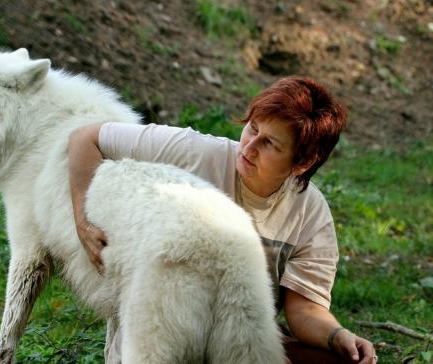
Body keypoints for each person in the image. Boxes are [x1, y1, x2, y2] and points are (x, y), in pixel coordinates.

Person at [68, 76, 377, 364]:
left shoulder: (311, 215)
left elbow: (305, 309)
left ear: (302, 162)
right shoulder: (194, 152)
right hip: (159, 330)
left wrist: (338, 336)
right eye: (253, 128)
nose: (250, 147)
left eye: (271, 144)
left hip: (231, 336)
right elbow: (87, 137)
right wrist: (83, 219)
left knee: (339, 360)